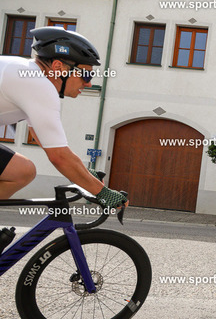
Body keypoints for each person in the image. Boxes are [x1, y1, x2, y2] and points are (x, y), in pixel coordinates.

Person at [0, 26, 127, 208]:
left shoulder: (28, 75)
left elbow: (46, 140)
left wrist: (84, 174)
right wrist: (103, 193)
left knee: (21, 171)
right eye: (86, 75)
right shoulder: (37, 84)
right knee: (22, 171)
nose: (89, 83)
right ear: (58, 67)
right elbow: (59, 156)